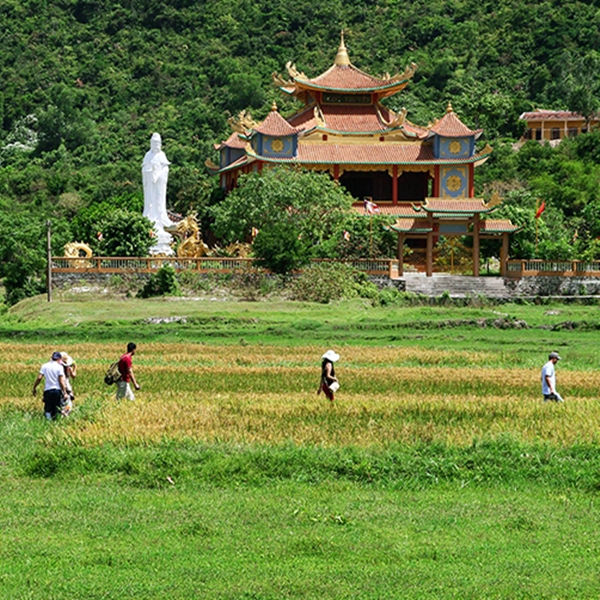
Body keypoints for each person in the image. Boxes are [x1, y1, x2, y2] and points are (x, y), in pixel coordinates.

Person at [142, 132, 172, 229]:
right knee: (150, 200)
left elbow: (166, 169)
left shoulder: (162, 155)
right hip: (150, 185)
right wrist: (150, 172)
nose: (156, 145)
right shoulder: (147, 155)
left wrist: (159, 175)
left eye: (157, 143)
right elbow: (144, 169)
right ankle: (149, 217)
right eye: (154, 143)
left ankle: (160, 217)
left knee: (159, 200)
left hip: (159, 184)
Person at [32, 351, 69, 420]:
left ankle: (48, 421)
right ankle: (56, 422)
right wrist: (65, 392)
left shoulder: (44, 366)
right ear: (59, 359)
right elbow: (61, 381)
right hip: (57, 390)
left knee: (48, 408)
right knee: (57, 408)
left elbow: (39, 378)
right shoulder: (59, 367)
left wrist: (34, 387)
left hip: (48, 390)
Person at [60, 352, 77, 416]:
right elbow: (74, 376)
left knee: (62, 403)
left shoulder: (58, 368)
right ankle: (64, 414)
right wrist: (75, 367)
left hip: (60, 387)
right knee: (68, 404)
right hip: (66, 387)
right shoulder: (69, 368)